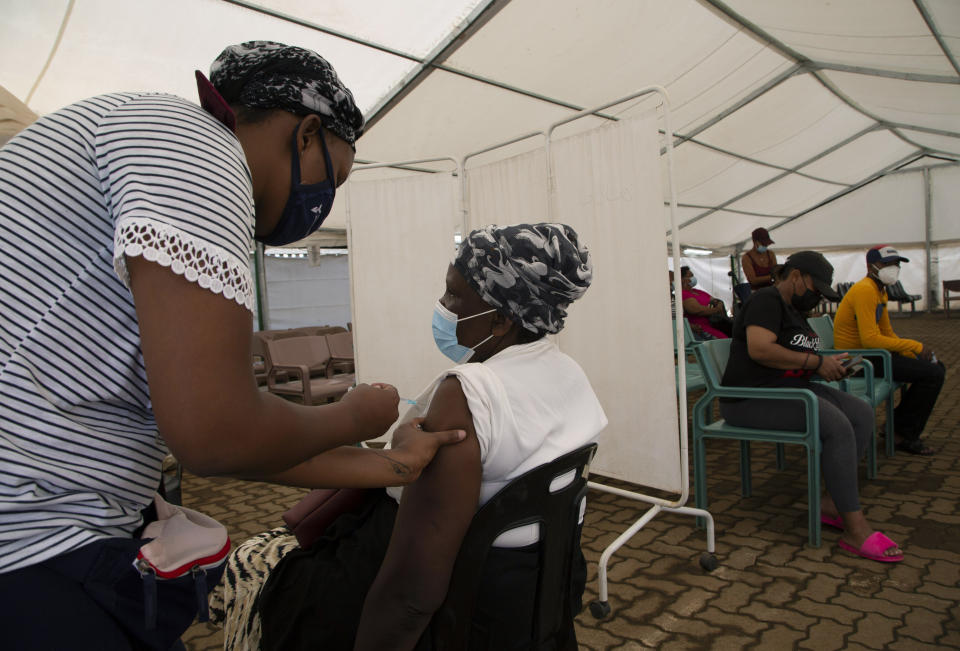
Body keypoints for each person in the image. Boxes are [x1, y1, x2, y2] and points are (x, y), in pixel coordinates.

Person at [0, 41, 462, 649]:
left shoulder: (130, 131)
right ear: (306, 133)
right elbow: (217, 434)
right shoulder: (199, 151)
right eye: (335, 177)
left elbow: (231, 437)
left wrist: (391, 466)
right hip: (36, 547)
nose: (325, 202)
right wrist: (354, 415)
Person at [217, 223, 607, 651]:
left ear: (499, 319)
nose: (442, 306)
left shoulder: (469, 392)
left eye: (454, 295)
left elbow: (411, 595)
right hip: (533, 594)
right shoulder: (568, 373)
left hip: (464, 605)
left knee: (270, 576)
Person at [719, 251, 903, 563]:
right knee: (837, 426)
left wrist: (832, 365)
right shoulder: (766, 301)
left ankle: (833, 503)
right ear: (796, 276)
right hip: (749, 398)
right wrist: (816, 362)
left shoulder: (795, 312)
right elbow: (760, 349)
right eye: (815, 289)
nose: (817, 296)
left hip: (789, 390)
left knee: (860, 414)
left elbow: (799, 356)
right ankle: (855, 530)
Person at [833, 245, 945, 456]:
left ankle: (899, 427)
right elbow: (870, 339)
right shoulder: (865, 289)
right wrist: (914, 346)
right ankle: (903, 433)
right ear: (870, 266)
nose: (893, 268)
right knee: (933, 374)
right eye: (886, 264)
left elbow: (887, 333)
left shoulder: (879, 291)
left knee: (935, 368)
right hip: (855, 361)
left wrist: (908, 352)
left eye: (896, 264)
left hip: (872, 356)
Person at [681, 265, 731, 338]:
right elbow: (697, 310)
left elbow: (717, 301)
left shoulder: (698, 291)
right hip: (699, 328)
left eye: (693, 276)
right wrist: (716, 309)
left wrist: (717, 305)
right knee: (723, 339)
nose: (693, 278)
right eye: (690, 276)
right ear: (682, 279)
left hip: (712, 325)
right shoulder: (683, 293)